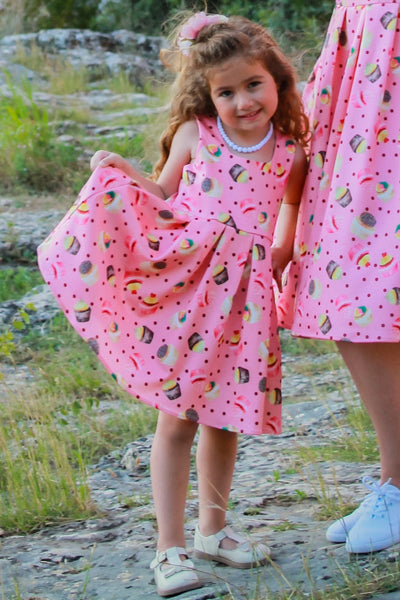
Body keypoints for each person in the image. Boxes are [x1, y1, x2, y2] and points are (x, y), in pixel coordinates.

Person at [37, 11, 308, 596]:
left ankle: (214, 529)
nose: (242, 102)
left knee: (226, 415)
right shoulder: (196, 136)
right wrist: (122, 173)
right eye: (226, 92)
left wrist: (280, 254)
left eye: (253, 85)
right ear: (207, 94)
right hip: (189, 292)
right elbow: (160, 193)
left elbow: (292, 207)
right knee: (178, 416)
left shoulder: (289, 151)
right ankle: (169, 548)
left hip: (244, 300)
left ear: (276, 80)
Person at [279, 0, 400, 555]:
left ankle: (397, 484)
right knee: (350, 286)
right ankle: (393, 479)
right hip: (362, 60)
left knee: (367, 284)